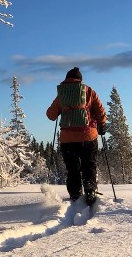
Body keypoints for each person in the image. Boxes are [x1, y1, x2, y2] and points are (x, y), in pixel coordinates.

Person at [46, 67, 107, 206]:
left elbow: (51, 115)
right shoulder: (89, 91)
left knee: (72, 168)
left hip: (68, 139)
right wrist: (102, 125)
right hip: (88, 137)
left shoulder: (62, 94)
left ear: (66, 78)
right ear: (80, 79)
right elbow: (100, 111)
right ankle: (90, 188)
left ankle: (75, 194)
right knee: (89, 163)